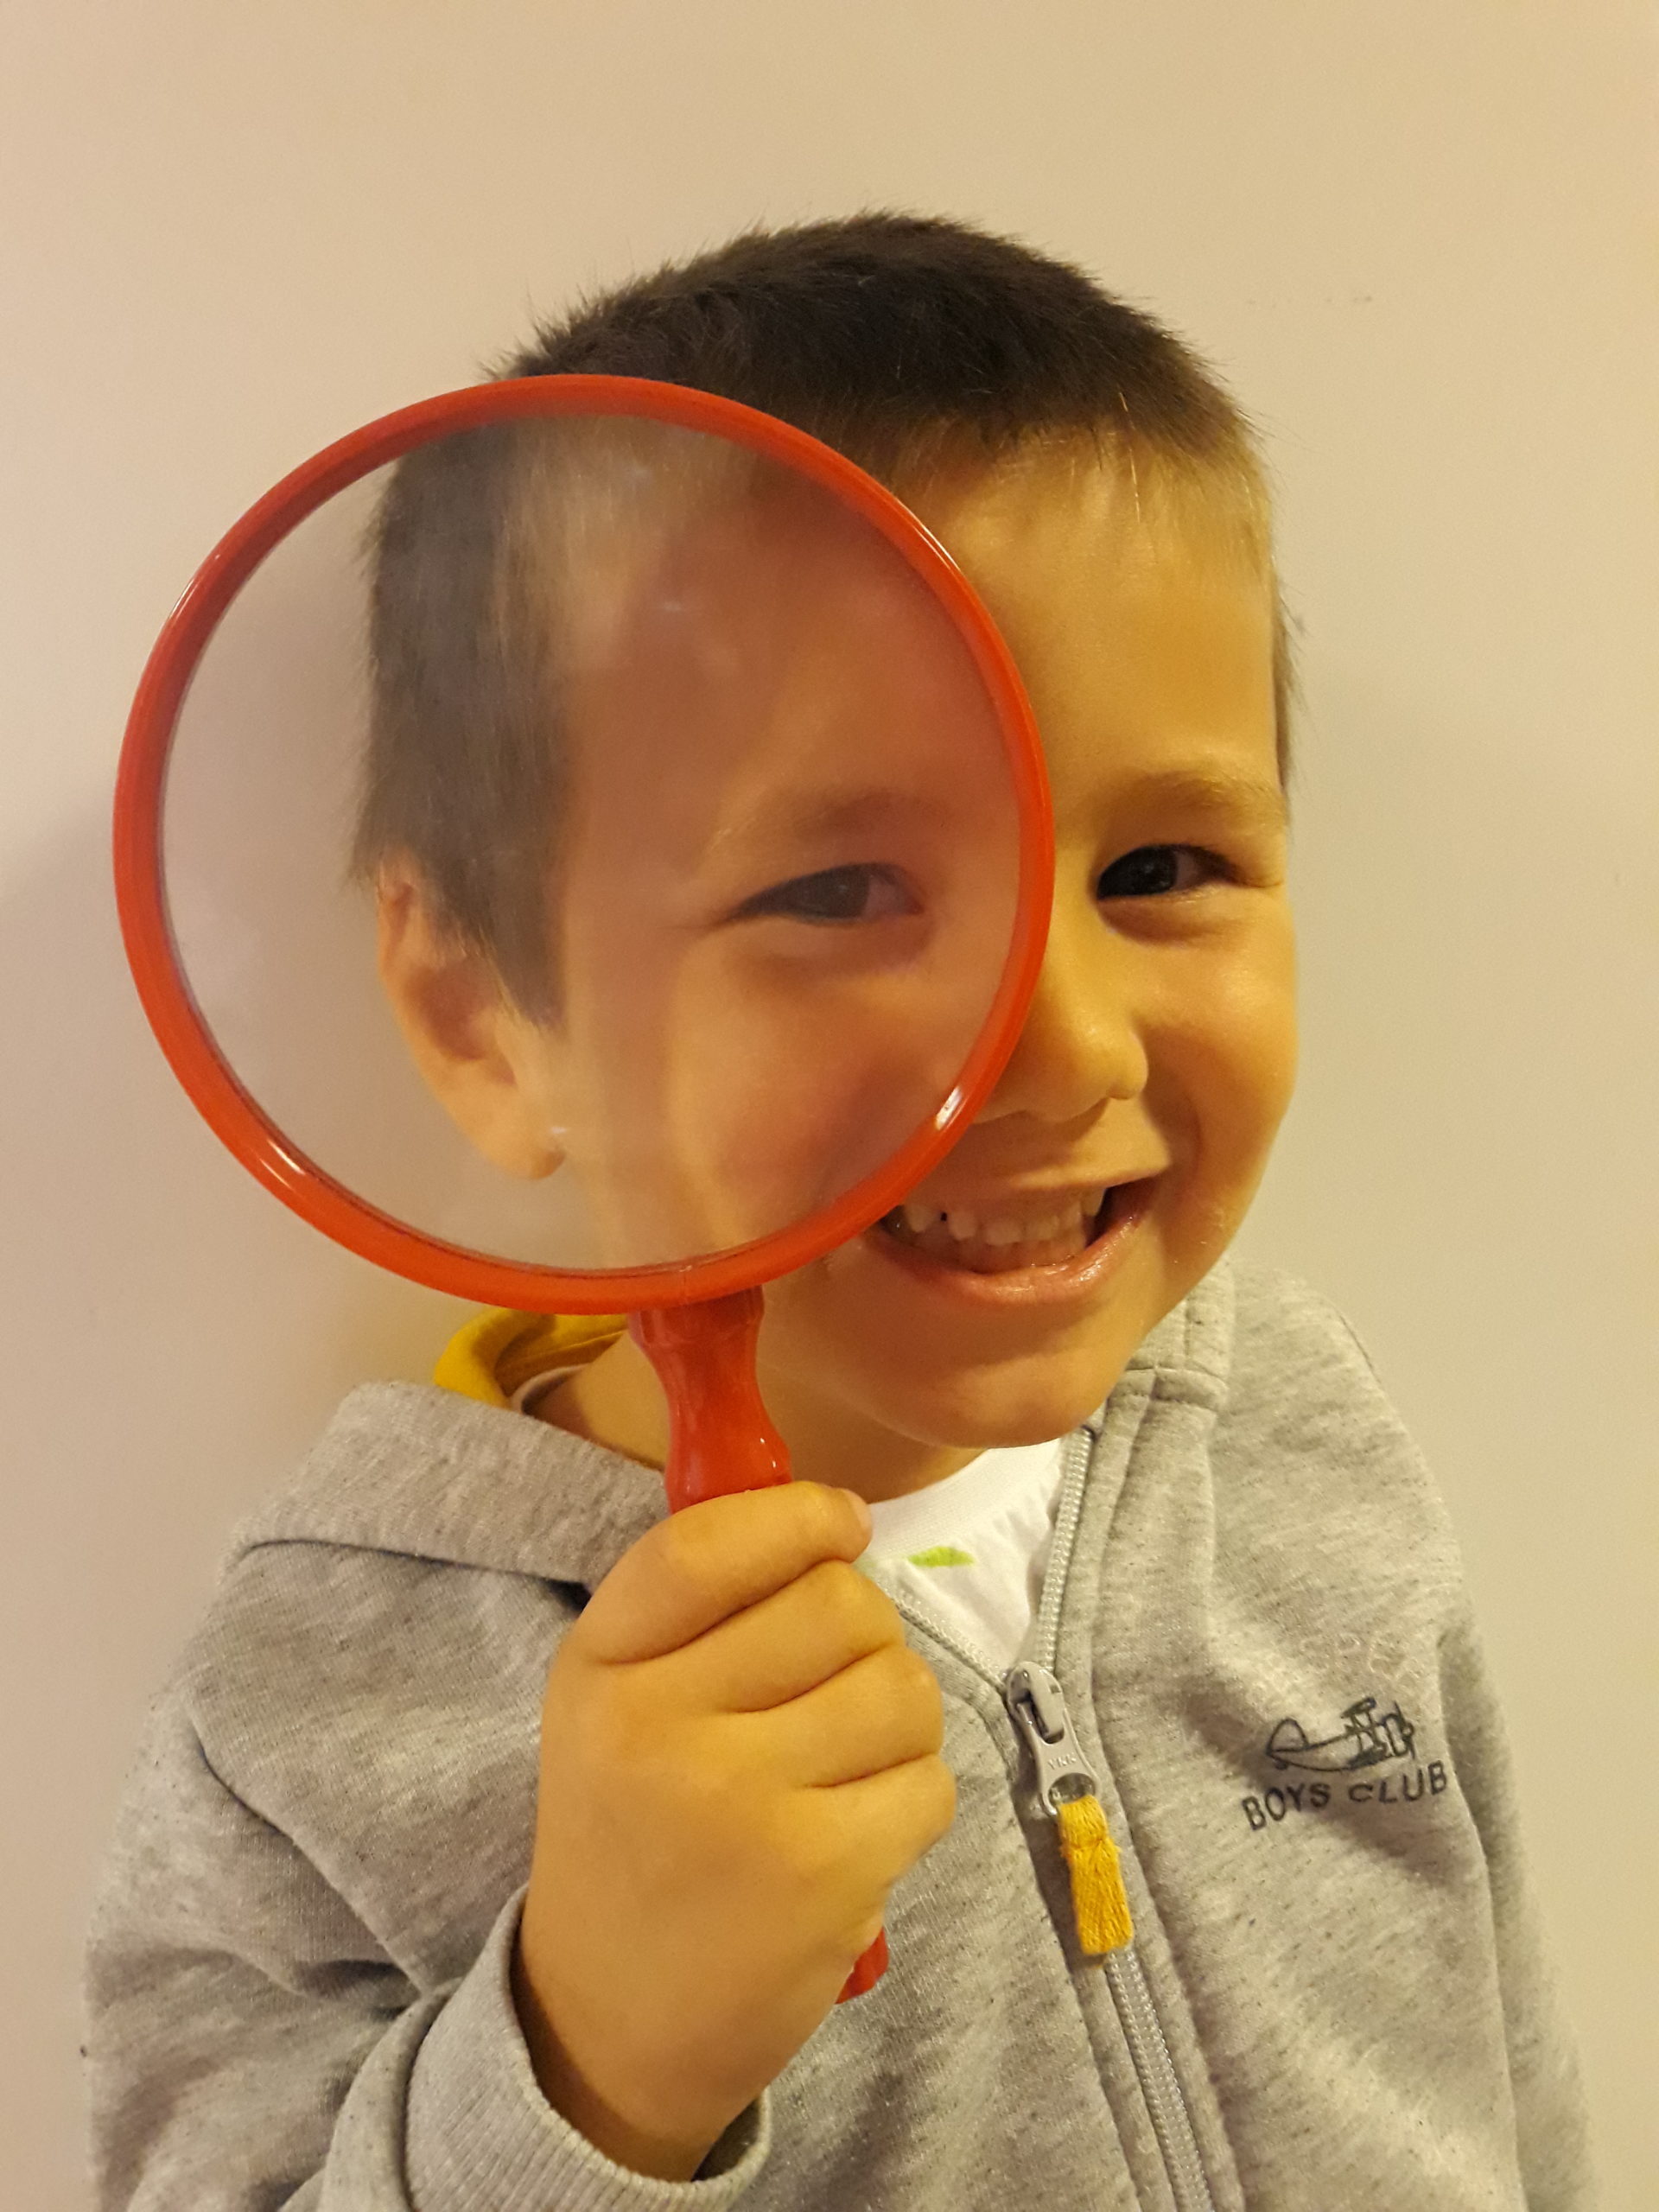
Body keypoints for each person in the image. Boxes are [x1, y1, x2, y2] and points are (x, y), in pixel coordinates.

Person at [86, 214, 1593, 2210]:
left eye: (1160, 864)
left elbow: (1509, 2065)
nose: (1058, 1045)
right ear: (481, 1011)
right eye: (835, 891)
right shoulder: (323, 1706)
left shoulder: (1301, 1432)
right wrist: (588, 2067)